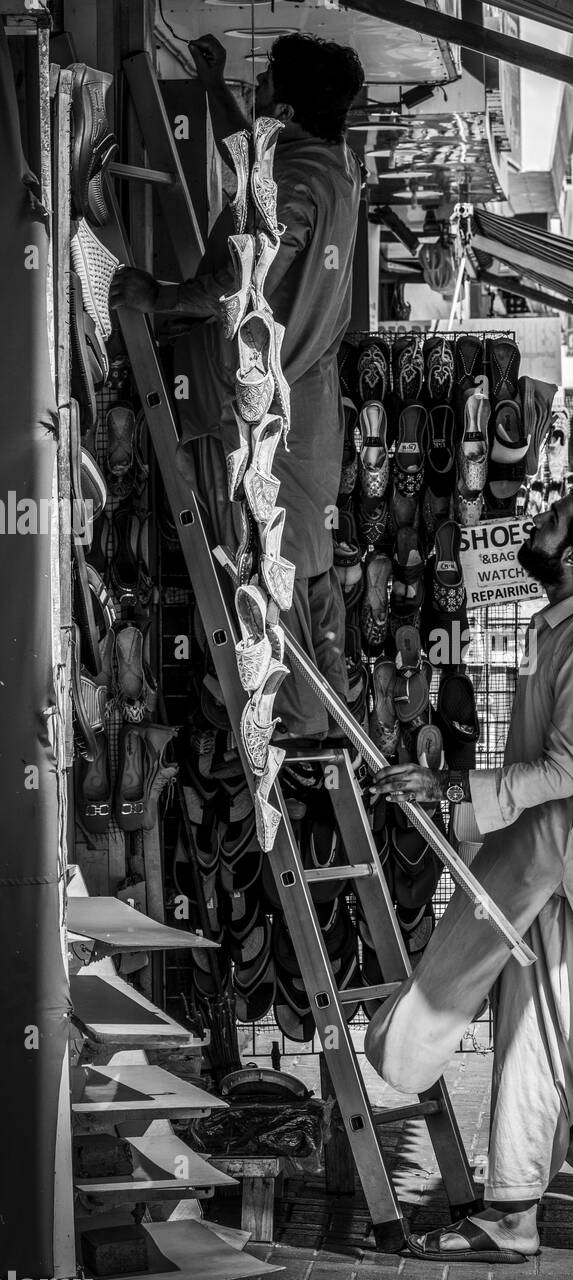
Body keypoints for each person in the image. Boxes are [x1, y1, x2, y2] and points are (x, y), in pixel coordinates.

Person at [365, 485, 573, 1263]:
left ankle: (509, 1215)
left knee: (536, 1040)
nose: (531, 527)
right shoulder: (563, 630)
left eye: (548, 522)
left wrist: (450, 789)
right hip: (560, 867)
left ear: (570, 556)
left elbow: (565, 769)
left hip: (565, 881)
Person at [110, 33, 364, 751]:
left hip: (264, 413)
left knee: (266, 567)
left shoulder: (299, 181)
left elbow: (238, 279)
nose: (254, 93)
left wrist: (159, 295)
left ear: (282, 101)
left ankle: (298, 724)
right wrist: (218, 89)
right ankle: (315, 716)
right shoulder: (339, 168)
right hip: (309, 407)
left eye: (261, 83)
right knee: (303, 564)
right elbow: (256, 158)